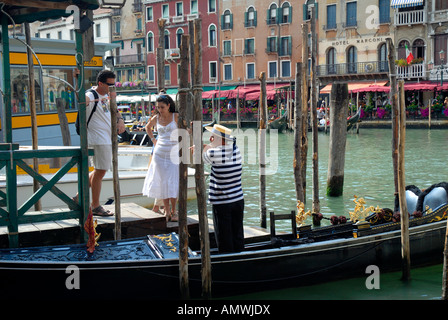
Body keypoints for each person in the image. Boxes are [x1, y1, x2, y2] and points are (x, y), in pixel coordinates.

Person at [73, 69, 126, 216]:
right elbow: (82, 98)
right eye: (109, 84)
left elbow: (114, 109)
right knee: (101, 171)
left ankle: (78, 197)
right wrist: (78, 80)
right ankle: (95, 205)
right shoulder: (91, 94)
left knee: (99, 170)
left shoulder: (107, 95)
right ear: (100, 83)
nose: (111, 87)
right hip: (97, 139)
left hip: (105, 138)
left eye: (114, 84)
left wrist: (120, 120)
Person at [202, 124, 245, 253]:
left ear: (219, 139)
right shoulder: (235, 149)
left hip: (222, 202)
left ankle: (227, 265)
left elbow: (202, 159)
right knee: (237, 235)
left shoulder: (213, 153)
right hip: (238, 200)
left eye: (212, 137)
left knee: (224, 238)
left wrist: (204, 149)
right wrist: (208, 148)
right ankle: (240, 260)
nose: (210, 139)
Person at [142, 94, 179, 222]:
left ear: (169, 105)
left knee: (173, 181)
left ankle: (174, 211)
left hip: (173, 153)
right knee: (163, 182)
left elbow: (186, 130)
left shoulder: (176, 116)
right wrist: (153, 140)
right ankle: (167, 211)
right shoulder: (156, 117)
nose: (160, 110)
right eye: (158, 107)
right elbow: (147, 128)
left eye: (162, 107)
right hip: (159, 152)